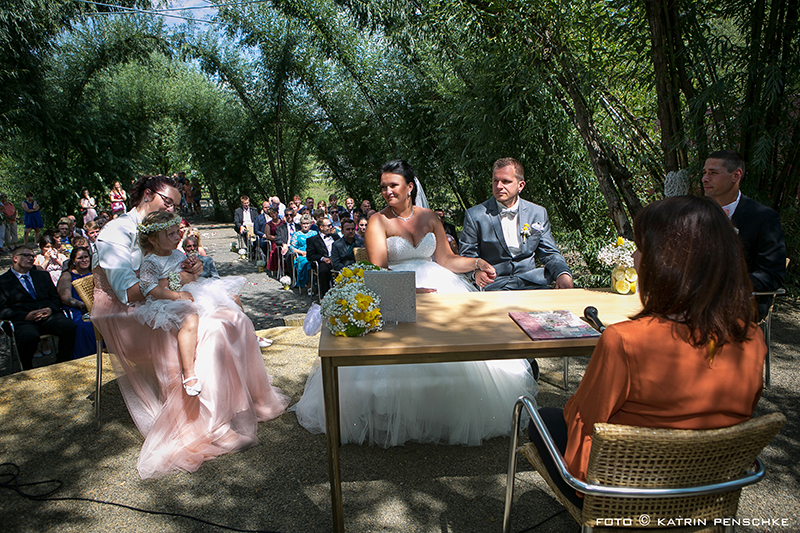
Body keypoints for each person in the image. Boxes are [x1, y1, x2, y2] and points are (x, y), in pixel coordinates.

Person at [529, 195, 767, 509]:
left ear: (665, 262)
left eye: (640, 248)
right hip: (707, 488)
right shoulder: (752, 336)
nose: (635, 258)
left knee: (542, 418)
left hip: (621, 493)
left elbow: (583, 421)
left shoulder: (625, 341)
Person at [292, 159, 536, 447]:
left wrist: (476, 262)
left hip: (440, 286)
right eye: (383, 186)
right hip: (397, 290)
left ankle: (446, 411)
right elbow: (379, 270)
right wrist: (410, 289)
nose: (387, 191)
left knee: (460, 353)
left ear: (410, 187)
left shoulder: (431, 217)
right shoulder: (377, 221)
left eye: (393, 185)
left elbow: (446, 259)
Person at [92, 174, 288, 478]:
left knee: (234, 317)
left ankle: (253, 400)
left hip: (162, 301)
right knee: (210, 329)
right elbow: (128, 293)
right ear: (146, 195)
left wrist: (190, 268)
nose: (172, 210)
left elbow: (174, 266)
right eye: (168, 202)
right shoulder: (116, 232)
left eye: (176, 206)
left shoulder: (161, 228)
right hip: (127, 315)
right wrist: (176, 280)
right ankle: (211, 425)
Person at [133, 212, 245, 396]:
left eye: (177, 232)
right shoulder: (150, 261)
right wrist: (177, 295)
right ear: (153, 239)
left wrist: (191, 265)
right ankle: (189, 372)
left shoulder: (177, 253)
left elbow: (185, 271)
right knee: (190, 317)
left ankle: (246, 333)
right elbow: (149, 289)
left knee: (231, 297)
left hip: (189, 291)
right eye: (171, 234)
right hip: (165, 300)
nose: (178, 236)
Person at [460, 157, 572, 290]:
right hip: (494, 286)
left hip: (533, 284)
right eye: (495, 181)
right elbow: (466, 256)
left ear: (521, 185)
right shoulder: (475, 215)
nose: (498, 186)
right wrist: (475, 273)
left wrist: (563, 273)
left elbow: (549, 253)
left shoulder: (537, 213)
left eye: (506, 181)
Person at [702, 150, 786, 318]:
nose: (705, 178)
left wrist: (726, 284)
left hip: (740, 304)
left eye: (713, 173)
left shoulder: (764, 219)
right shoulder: (696, 212)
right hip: (696, 298)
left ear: (736, 175)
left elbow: (772, 275)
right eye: (704, 172)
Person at [0, 246, 76, 370]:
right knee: (29, 336)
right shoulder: (3, 282)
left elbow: (55, 298)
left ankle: (62, 363)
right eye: (26, 255)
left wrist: (50, 309)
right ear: (15, 258)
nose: (31, 258)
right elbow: (2, 310)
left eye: (32, 256)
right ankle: (27, 369)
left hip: (48, 316)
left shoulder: (42, 276)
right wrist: (25, 316)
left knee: (69, 326)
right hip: (23, 320)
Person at [56, 246, 96, 359]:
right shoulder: (68, 275)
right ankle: (86, 356)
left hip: (97, 306)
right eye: (80, 258)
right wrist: (83, 305)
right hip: (77, 309)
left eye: (86, 257)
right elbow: (65, 297)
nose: (84, 260)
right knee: (84, 325)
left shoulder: (95, 273)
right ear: (73, 260)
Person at [305, 216, 339, 298]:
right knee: (323, 271)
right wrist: (322, 258)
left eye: (331, 225)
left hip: (337, 260)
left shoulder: (336, 237)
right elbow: (310, 255)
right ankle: (325, 295)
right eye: (328, 226)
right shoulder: (312, 240)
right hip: (323, 261)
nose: (331, 227)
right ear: (321, 227)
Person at [289, 214, 317, 290]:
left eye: (307, 223)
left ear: (310, 224)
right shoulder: (296, 234)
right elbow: (291, 247)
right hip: (302, 255)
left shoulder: (314, 233)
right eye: (304, 223)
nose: (305, 226)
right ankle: (309, 285)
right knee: (307, 263)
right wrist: (301, 252)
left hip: (313, 254)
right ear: (301, 224)